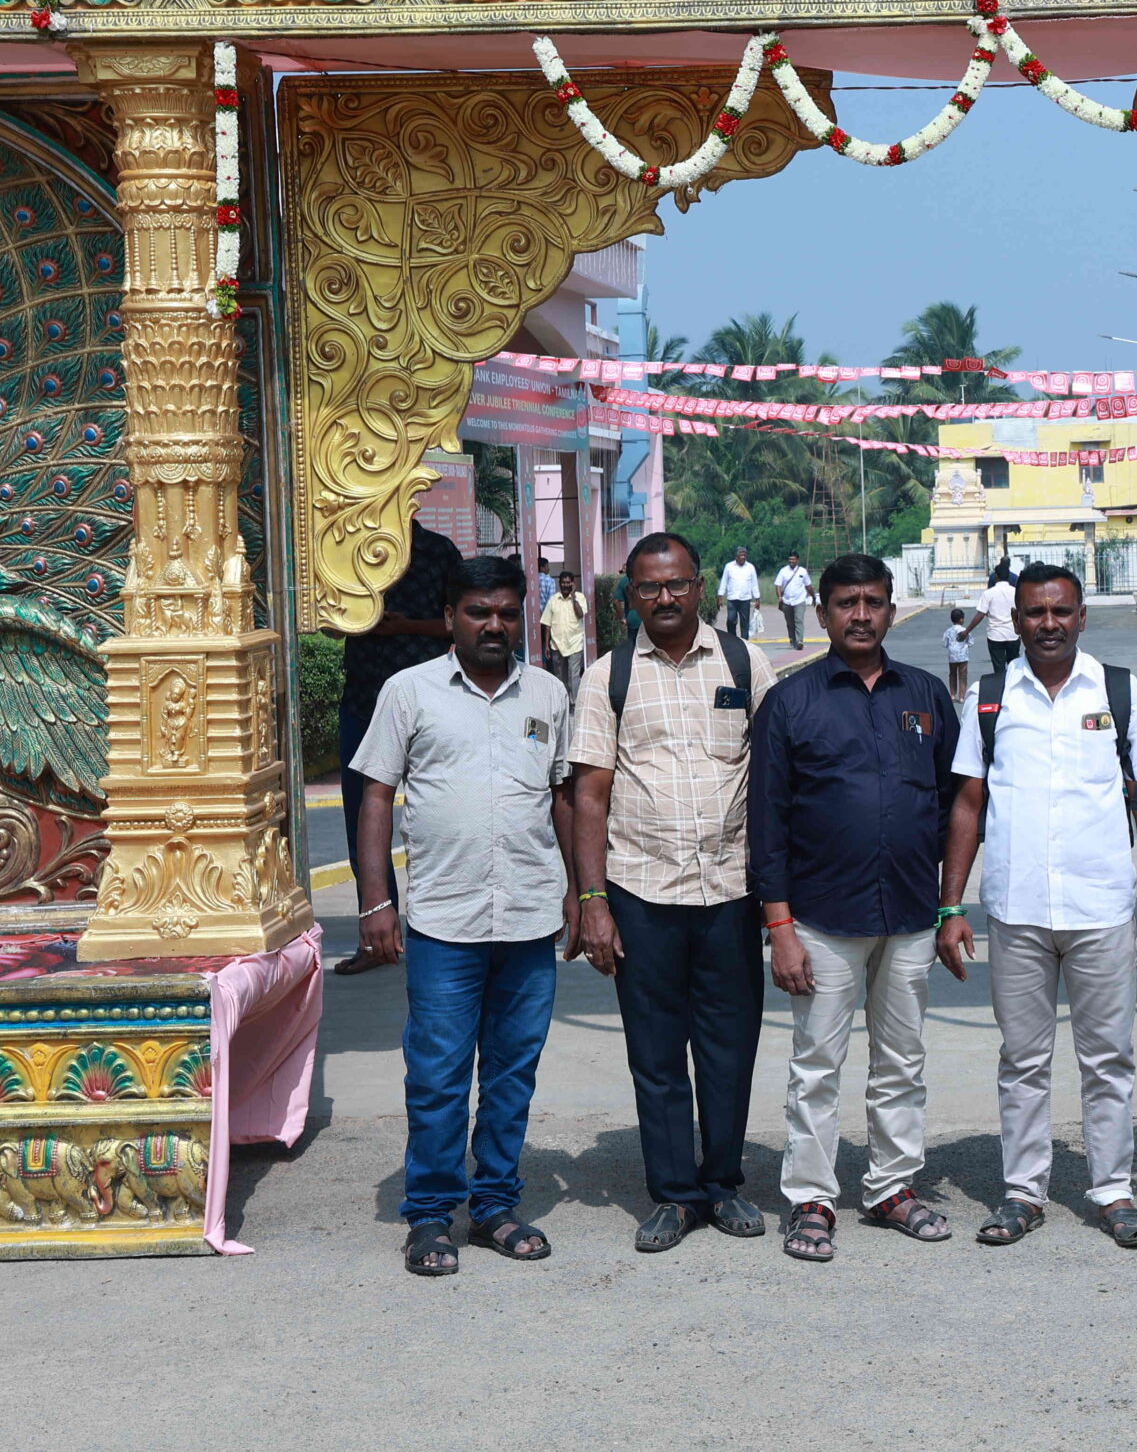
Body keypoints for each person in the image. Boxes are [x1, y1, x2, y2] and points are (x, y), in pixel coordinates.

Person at [938, 564, 1137, 1249]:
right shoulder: (990, 696)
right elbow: (968, 803)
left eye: (1061, 611)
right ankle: (1023, 1192)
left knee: (1108, 1058)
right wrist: (950, 907)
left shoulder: (1116, 691)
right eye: (1035, 612)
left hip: (1100, 907)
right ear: (1014, 621)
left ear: (1081, 617)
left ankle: (1112, 1190)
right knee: (1022, 1059)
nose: (1048, 623)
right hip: (1015, 909)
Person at [347, 556, 574, 1277]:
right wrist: (376, 900)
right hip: (443, 921)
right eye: (479, 612)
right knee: (438, 1075)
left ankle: (496, 1206)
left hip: (530, 918)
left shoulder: (547, 693)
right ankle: (429, 1214)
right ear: (450, 618)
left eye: (506, 612)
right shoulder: (409, 691)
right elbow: (376, 795)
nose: (494, 625)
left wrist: (580, 892)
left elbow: (562, 796)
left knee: (512, 1073)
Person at [750, 555, 961, 1262]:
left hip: (909, 914)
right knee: (817, 1065)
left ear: (892, 610)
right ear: (823, 612)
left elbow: (954, 804)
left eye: (873, 602)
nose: (861, 615)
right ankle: (811, 1197)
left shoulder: (925, 695)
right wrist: (780, 927)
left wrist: (949, 905)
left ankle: (891, 1186)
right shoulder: (791, 702)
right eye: (847, 603)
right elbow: (767, 823)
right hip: (820, 918)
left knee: (902, 1060)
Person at [570, 531, 775, 1253]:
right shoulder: (608, 676)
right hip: (642, 892)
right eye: (649, 586)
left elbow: (774, 776)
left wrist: (779, 897)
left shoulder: (745, 663)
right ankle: (674, 1195)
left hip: (730, 892)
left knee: (729, 1048)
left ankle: (722, 1182)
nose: (664, 597)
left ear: (700, 587)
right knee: (656, 1055)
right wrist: (592, 900)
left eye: (677, 583)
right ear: (630, 596)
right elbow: (589, 794)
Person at [334, 518, 463, 976]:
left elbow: (460, 623)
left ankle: (455, 928)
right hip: (364, 700)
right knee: (362, 817)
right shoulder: (348, 548)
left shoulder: (438, 551)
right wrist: (358, 621)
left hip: (430, 706)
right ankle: (377, 934)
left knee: (448, 813)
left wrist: (405, 626)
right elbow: (329, 624)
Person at [539, 568, 589, 707]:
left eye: (568, 583)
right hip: (557, 644)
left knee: (574, 676)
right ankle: (563, 704)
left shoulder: (580, 597)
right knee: (560, 677)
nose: (565, 585)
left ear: (572, 583)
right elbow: (547, 624)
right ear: (559, 583)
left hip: (574, 643)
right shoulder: (553, 600)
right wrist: (547, 644)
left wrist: (573, 597)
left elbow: (580, 614)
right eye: (563, 582)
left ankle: (575, 704)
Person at [972, 570, 1019, 673]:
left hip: (995, 635)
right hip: (1012, 634)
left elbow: (981, 614)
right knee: (1014, 666)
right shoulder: (1016, 592)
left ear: (996, 576)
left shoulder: (988, 593)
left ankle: (1000, 683)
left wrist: (967, 631)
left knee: (998, 668)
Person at [718, 545, 761, 642]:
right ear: (736, 556)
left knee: (745, 622)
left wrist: (757, 599)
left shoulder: (750, 567)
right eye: (741, 555)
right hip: (732, 599)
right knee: (731, 620)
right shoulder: (729, 566)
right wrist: (720, 595)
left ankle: (744, 642)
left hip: (745, 599)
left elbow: (754, 584)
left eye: (744, 555)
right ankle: (732, 640)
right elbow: (724, 581)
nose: (743, 557)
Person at [774, 552, 814, 650]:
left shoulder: (803, 571)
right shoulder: (783, 571)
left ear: (797, 560)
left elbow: (808, 586)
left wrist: (813, 597)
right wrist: (779, 597)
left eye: (793, 559)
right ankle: (792, 640)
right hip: (786, 601)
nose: (791, 561)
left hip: (799, 601)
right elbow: (778, 585)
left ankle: (799, 641)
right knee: (790, 623)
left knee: (798, 620)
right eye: (790, 559)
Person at [942, 606, 972, 700]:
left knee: (952, 674)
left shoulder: (948, 631)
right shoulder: (965, 630)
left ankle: (952, 695)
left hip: (952, 657)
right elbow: (971, 642)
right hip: (963, 656)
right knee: (963, 676)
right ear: (961, 619)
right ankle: (962, 696)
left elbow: (945, 644)